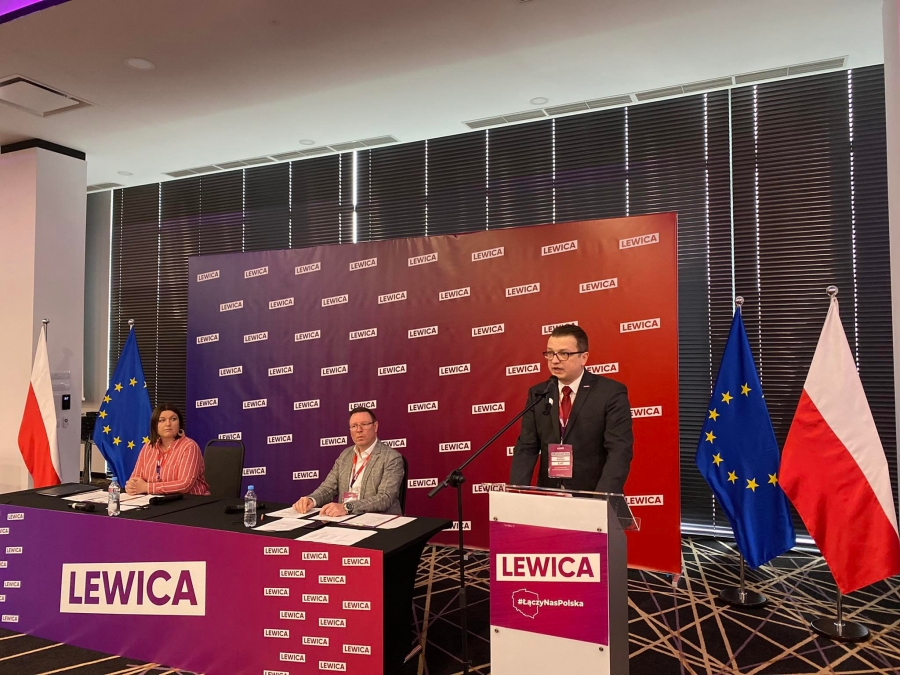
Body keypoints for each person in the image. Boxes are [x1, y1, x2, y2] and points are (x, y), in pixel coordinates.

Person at [509, 324, 633, 494]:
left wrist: (601, 498)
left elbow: (619, 451)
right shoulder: (538, 393)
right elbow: (526, 448)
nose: (554, 360)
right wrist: (516, 493)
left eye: (564, 354)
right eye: (550, 353)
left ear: (584, 357)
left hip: (592, 495)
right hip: (549, 496)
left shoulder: (610, 393)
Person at [293, 407, 404, 516]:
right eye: (354, 426)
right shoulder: (345, 455)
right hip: (346, 518)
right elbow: (328, 488)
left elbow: (385, 498)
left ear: (375, 427)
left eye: (364, 424)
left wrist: (347, 507)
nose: (359, 430)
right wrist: (312, 500)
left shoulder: (392, 458)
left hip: (378, 521)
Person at [125, 403, 211, 496]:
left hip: (191, 500)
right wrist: (131, 486)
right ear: (155, 426)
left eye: (173, 419)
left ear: (179, 423)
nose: (168, 424)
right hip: (159, 499)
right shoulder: (148, 447)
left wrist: (147, 487)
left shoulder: (189, 446)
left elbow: (184, 485)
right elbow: (135, 478)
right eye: (162, 420)